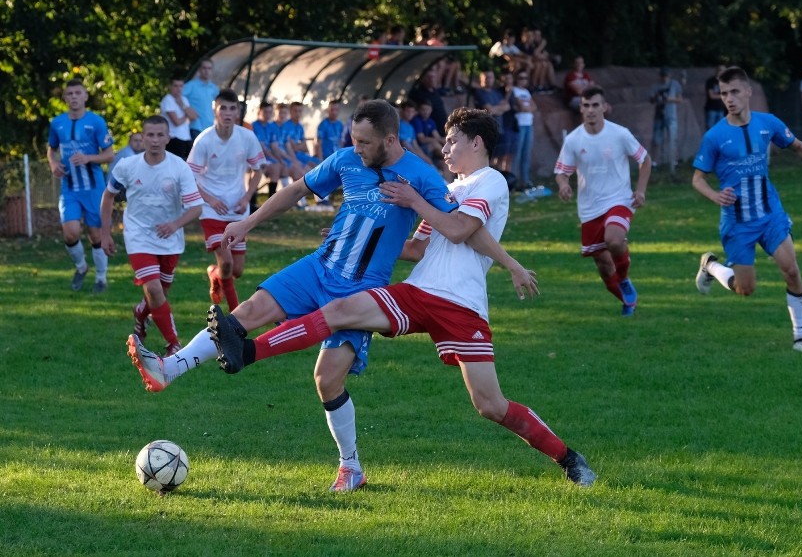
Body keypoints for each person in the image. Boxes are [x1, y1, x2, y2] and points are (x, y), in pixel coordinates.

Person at [204, 107, 597, 488]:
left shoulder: (489, 180)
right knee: (339, 310)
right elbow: (416, 249)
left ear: (477, 143)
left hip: (461, 303)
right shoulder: (450, 189)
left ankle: (567, 458)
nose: (444, 150)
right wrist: (353, 237)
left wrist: (419, 204)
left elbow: (460, 229)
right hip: (419, 291)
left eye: (452, 141)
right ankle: (247, 351)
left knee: (490, 405)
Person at [127, 99, 458, 492]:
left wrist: (417, 204)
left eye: (365, 142)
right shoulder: (345, 160)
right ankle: (169, 369)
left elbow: (454, 226)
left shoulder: (421, 176)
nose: (357, 149)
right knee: (244, 313)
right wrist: (246, 222)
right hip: (319, 267)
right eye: (353, 140)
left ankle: (351, 467)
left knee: (327, 380)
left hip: (361, 290)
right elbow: (296, 190)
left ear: (390, 139)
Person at [692, 66, 802, 352]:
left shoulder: (768, 123)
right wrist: (715, 196)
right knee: (746, 289)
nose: (729, 99)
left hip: (769, 213)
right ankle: (711, 265)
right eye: (724, 93)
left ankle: (800, 337)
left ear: (748, 92)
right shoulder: (715, 136)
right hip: (737, 222)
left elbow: (795, 144)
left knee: (791, 270)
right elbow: (697, 179)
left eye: (735, 92)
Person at [100, 115, 203, 355]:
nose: (155, 140)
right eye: (150, 135)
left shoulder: (179, 167)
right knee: (155, 290)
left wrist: (175, 224)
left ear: (168, 137)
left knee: (159, 294)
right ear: (142, 137)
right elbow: (107, 197)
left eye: (160, 135)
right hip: (138, 236)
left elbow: (196, 207)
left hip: (170, 240)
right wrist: (106, 234)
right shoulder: (127, 165)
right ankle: (173, 343)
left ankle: (141, 313)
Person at [554, 86, 651, 317]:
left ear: (604, 107)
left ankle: (625, 280)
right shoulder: (574, 140)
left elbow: (645, 160)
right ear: (581, 109)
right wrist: (564, 184)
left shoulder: (620, 133)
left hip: (619, 199)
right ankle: (628, 302)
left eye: (595, 105)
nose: (591, 110)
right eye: (586, 106)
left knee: (614, 240)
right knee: (604, 265)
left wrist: (640, 191)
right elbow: (562, 171)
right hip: (589, 208)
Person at [187, 88, 265, 312]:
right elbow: (189, 177)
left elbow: (258, 169)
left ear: (238, 111)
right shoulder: (204, 140)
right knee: (227, 263)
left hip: (237, 210)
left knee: (236, 270)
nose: (228, 113)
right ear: (215, 110)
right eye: (223, 108)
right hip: (211, 212)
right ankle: (235, 316)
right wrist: (210, 200)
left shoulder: (247, 136)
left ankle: (214, 273)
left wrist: (247, 198)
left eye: (233, 108)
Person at [47, 78, 116, 293]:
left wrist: (88, 158)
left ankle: (101, 279)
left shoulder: (96, 122)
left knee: (96, 235)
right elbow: (51, 149)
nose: (74, 97)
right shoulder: (57, 123)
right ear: (65, 98)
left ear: (85, 96)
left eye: (78, 93)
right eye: (70, 94)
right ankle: (81, 267)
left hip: (94, 187)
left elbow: (109, 154)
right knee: (70, 233)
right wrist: (53, 163)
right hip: (69, 188)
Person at [250, 101, 284, 211]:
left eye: (270, 112)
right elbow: (260, 147)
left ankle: (271, 203)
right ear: (259, 112)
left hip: (267, 158)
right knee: (257, 169)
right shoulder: (253, 126)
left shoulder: (271, 127)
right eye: (265, 112)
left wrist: (279, 159)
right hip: (254, 158)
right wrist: (272, 158)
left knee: (276, 167)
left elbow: (274, 146)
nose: (267, 114)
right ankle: (252, 202)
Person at [649, 67, 682, 173]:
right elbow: (651, 100)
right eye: (663, 76)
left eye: (666, 76)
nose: (664, 78)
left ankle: (674, 163)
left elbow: (679, 99)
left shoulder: (674, 84)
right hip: (659, 115)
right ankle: (654, 162)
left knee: (673, 139)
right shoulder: (655, 86)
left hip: (671, 116)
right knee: (656, 140)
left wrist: (669, 99)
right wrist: (657, 97)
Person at [511, 70, 537, 191]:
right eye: (521, 78)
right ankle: (514, 181)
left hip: (529, 124)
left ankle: (525, 181)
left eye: (525, 78)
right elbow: (521, 106)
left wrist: (527, 107)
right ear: (517, 79)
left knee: (526, 154)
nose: (523, 80)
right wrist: (527, 107)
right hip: (519, 124)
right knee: (517, 154)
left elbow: (534, 107)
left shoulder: (526, 91)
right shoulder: (514, 90)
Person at [160, 75, 197, 160]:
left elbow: (194, 116)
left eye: (181, 86)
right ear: (170, 86)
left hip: (186, 138)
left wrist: (182, 106)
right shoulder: (167, 99)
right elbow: (177, 122)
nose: (178, 88)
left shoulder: (184, 99)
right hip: (173, 138)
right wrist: (186, 114)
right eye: (176, 86)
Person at [183, 58, 219, 141]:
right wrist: (186, 108)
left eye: (209, 68)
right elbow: (177, 97)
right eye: (204, 68)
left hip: (210, 127)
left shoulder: (214, 88)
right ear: (199, 69)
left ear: (212, 71)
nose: (206, 71)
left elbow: (220, 104)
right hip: (195, 126)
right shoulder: (191, 85)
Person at [704, 64, 726, 129]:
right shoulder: (711, 81)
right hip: (711, 109)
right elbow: (711, 96)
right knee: (710, 129)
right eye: (720, 71)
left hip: (721, 109)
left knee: (720, 129)